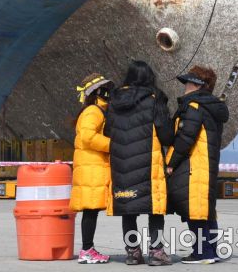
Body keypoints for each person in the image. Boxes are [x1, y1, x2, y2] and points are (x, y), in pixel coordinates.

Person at [105, 60, 173, 266]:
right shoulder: (154, 99)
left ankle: (133, 252)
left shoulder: (114, 100)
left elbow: (108, 131)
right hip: (147, 161)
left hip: (121, 162)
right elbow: (166, 133)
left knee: (129, 208)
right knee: (155, 208)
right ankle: (157, 252)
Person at [165, 66, 229, 265]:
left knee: (195, 209)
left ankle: (202, 253)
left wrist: (170, 162)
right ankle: (211, 250)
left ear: (197, 85)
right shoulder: (211, 107)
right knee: (205, 209)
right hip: (206, 166)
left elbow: (186, 137)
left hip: (193, 165)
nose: (185, 87)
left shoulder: (194, 106)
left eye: (187, 83)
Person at [69, 73, 114, 264]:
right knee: (90, 210)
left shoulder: (95, 111)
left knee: (91, 210)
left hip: (91, 166)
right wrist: (112, 145)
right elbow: (88, 137)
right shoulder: (93, 112)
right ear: (98, 92)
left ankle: (88, 248)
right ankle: (86, 250)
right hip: (91, 167)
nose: (110, 94)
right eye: (107, 90)